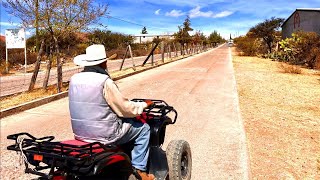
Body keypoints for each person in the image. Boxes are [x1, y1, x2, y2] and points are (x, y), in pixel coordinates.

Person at [68, 44, 155, 180]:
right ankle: (140, 170)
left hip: (80, 134)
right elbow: (125, 109)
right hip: (106, 135)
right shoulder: (105, 81)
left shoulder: (74, 79)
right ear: (103, 62)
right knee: (144, 129)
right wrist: (144, 105)